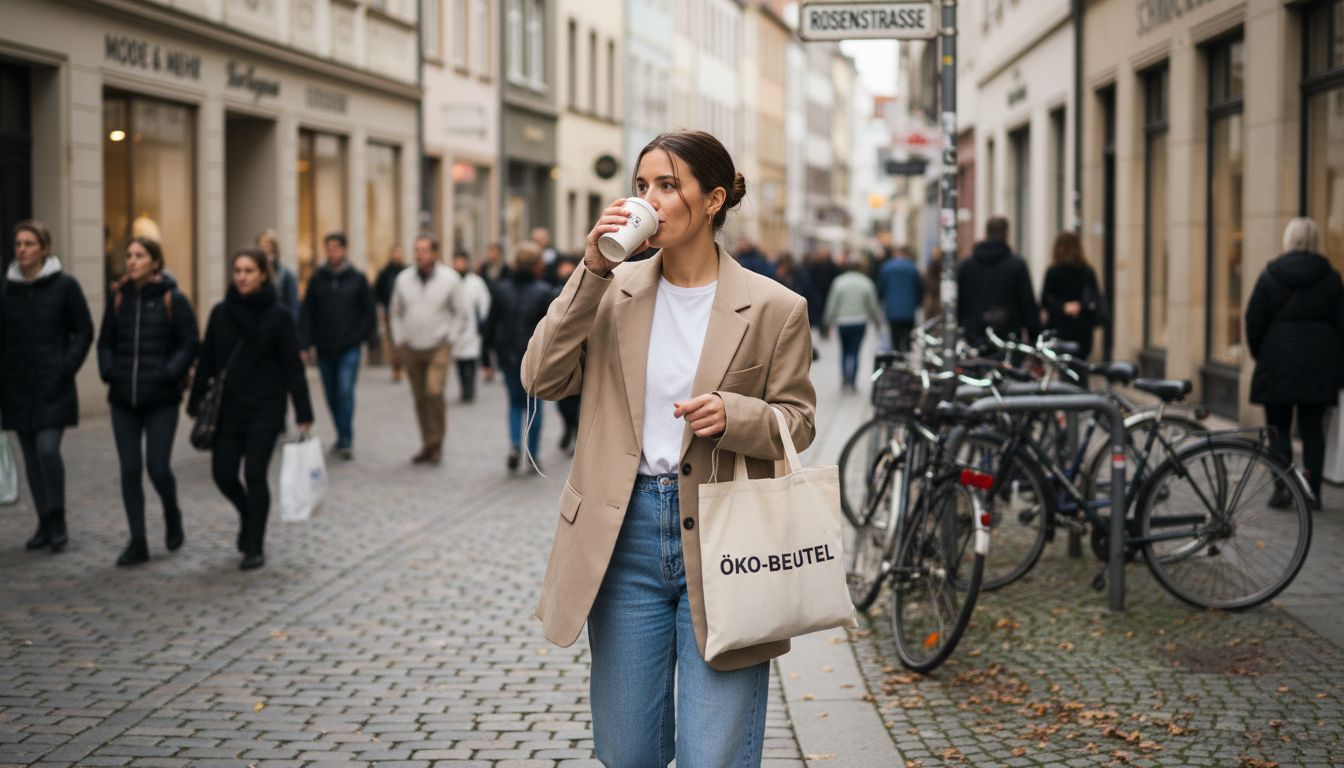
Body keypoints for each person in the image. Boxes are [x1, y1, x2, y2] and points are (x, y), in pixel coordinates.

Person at [522, 130, 816, 765]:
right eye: (640, 186)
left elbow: (799, 422)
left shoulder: (775, 308)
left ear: (712, 201)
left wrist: (736, 415)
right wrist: (592, 268)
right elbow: (541, 377)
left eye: (666, 186)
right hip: (622, 537)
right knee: (628, 753)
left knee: (715, 755)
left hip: (727, 541)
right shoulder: (611, 295)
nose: (648, 201)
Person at [190, 249, 314, 569]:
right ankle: (247, 512)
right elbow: (207, 360)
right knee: (223, 473)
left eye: (249, 270)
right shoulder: (221, 313)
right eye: (238, 270)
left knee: (255, 474)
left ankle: (255, 544)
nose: (242, 276)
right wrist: (195, 401)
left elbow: (292, 367)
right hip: (229, 409)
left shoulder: (278, 314)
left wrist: (303, 412)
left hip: (265, 408)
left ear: (263, 274)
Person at [97, 237, 199, 566]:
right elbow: (105, 342)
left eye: (139, 256)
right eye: (128, 255)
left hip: (161, 399)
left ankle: (172, 513)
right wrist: (109, 371)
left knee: (157, 467)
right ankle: (137, 540)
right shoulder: (118, 298)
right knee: (129, 469)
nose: (132, 261)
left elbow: (189, 342)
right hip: (123, 398)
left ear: (155, 261)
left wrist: (169, 373)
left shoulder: (173, 298)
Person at [0, 220, 94, 553]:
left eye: (29, 243)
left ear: (44, 249)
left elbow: (83, 329)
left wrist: (66, 365)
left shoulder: (65, 286)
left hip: (53, 385)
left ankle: (58, 518)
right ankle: (43, 521)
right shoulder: (7, 289)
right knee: (30, 457)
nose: (22, 249)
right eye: (18, 244)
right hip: (17, 387)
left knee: (48, 450)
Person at [1245, 217, 1344, 511]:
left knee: (1279, 429)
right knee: (1313, 430)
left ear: (1288, 240)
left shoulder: (1270, 275)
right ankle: (1312, 492)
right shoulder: (1331, 278)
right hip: (1319, 363)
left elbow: (1253, 321)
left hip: (1277, 362)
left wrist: (1262, 354)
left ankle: (1283, 490)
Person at [299, 232, 375, 460]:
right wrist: (305, 343)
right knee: (331, 395)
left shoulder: (358, 279)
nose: (332, 252)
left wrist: (358, 337)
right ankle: (341, 434)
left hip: (349, 348)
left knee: (344, 391)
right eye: (328, 247)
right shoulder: (317, 279)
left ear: (344, 250)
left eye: (336, 248)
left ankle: (346, 439)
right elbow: (307, 313)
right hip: (324, 348)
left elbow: (368, 313)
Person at [389, 234, 463, 466]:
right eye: (416, 249)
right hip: (411, 346)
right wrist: (400, 340)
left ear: (435, 253)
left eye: (424, 250)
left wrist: (450, 338)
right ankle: (427, 443)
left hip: (438, 345)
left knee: (433, 392)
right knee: (420, 396)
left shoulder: (449, 279)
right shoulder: (403, 279)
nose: (419, 254)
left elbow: (460, 312)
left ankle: (437, 442)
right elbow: (395, 312)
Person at [482, 241, 553, 473]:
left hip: (508, 354)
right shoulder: (544, 292)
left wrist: (486, 358)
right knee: (534, 405)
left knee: (514, 403)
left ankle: (514, 445)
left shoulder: (501, 289)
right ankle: (531, 453)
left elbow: (490, 326)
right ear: (536, 265)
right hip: (534, 357)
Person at [957, 216, 1041, 349]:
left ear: (986, 234)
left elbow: (959, 302)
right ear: (1006, 234)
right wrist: (1034, 338)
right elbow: (1027, 303)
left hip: (974, 339)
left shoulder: (967, 266)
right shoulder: (1017, 265)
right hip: (1009, 339)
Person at [1039, 231, 1105, 360]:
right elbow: (1095, 299)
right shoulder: (1087, 271)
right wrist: (1080, 307)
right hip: (1082, 329)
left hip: (1060, 328)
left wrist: (1063, 307)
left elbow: (1045, 300)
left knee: (1063, 365)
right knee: (1080, 367)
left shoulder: (1053, 272)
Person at [825, 258, 885, 391]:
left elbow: (832, 302)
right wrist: (877, 321)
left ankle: (844, 377)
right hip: (860, 321)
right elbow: (872, 304)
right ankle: (853, 379)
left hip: (843, 321)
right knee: (855, 351)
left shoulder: (839, 282)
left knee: (844, 350)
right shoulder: (866, 282)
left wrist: (828, 320)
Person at [452, 249, 492, 403]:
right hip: (455, 328)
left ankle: (469, 389)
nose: (460, 264)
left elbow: (484, 302)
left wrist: (482, 321)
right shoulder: (451, 281)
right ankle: (463, 388)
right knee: (459, 362)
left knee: (470, 360)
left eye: (462, 261)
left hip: (471, 327)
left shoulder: (476, 282)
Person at [552, 256, 581, 454]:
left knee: (578, 401)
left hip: (581, 355)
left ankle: (576, 433)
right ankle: (568, 427)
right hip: (562, 357)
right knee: (563, 403)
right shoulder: (553, 293)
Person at [876, 245, 924, 352]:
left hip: (893, 310)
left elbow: (880, 289)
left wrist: (881, 302)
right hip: (909, 310)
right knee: (907, 339)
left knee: (895, 339)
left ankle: (897, 359)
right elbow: (919, 288)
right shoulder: (912, 267)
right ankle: (906, 359)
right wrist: (918, 303)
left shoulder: (887, 267)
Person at [374, 244, 408, 381]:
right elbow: (378, 292)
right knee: (393, 341)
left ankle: (402, 366)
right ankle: (396, 368)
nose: (397, 256)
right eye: (395, 253)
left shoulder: (407, 272)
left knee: (403, 341)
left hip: (406, 313)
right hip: (390, 312)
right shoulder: (384, 273)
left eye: (399, 253)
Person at [256, 229, 299, 324]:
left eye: (267, 244)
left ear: (274, 247)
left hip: (279, 321)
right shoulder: (252, 272)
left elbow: (293, 305)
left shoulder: (286, 274)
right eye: (261, 244)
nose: (263, 247)